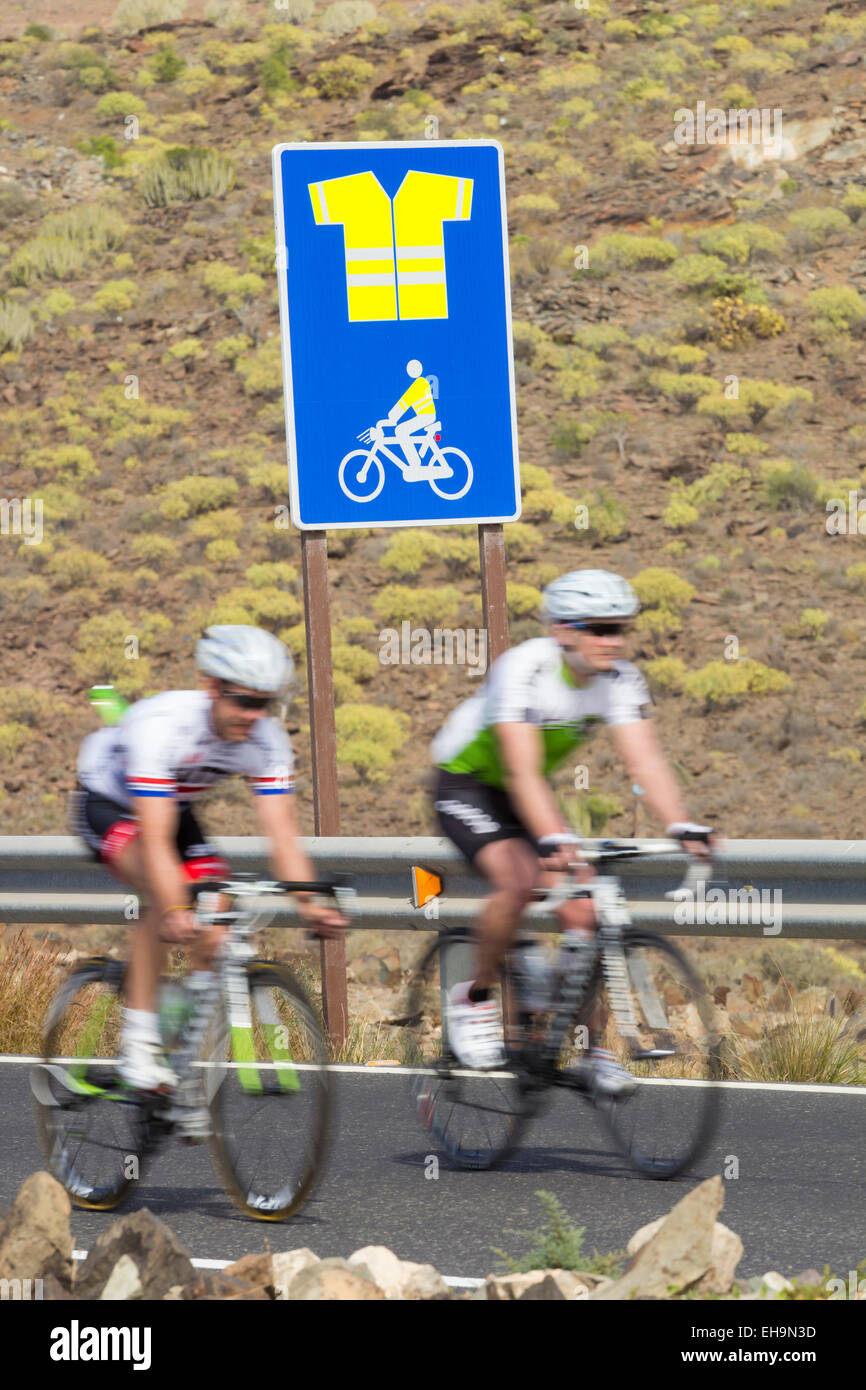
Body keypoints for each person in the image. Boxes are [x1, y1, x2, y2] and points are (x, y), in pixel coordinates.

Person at [430, 569, 714, 1087]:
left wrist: (679, 822)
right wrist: (556, 840)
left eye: (621, 629)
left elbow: (644, 763)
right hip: (468, 785)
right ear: (563, 630)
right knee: (517, 881)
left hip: (528, 791)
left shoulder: (620, 679)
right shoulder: (525, 669)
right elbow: (519, 770)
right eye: (600, 629)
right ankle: (474, 998)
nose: (614, 641)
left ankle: (591, 1049)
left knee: (585, 912)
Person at [69, 625, 346, 1115]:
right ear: (211, 686)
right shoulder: (163, 725)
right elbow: (154, 839)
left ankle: (182, 1044)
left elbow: (282, 835)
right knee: (167, 896)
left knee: (215, 910)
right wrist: (175, 903)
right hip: (109, 804)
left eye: (264, 703)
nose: (252, 716)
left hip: (169, 805)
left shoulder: (265, 738)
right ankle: (138, 1047)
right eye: (242, 701)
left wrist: (309, 904)